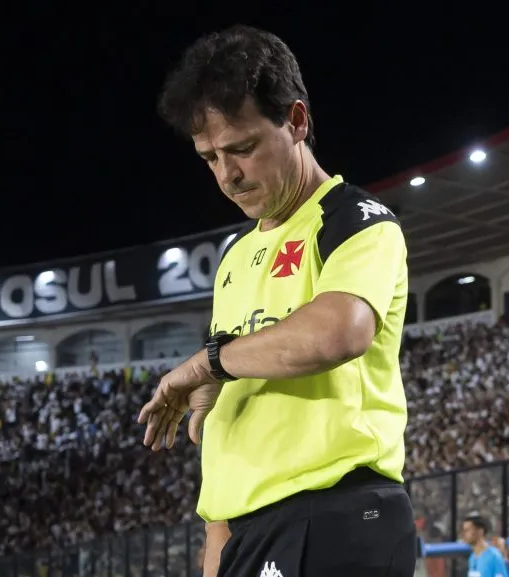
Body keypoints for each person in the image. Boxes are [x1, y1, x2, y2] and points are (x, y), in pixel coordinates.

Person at [139, 24, 414, 577]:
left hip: (334, 513)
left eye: (241, 149)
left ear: (296, 121)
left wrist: (208, 360)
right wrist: (218, 545)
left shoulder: (354, 221)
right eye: (209, 158)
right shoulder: (237, 255)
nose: (227, 175)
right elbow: (223, 421)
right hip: (250, 530)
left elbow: (339, 332)